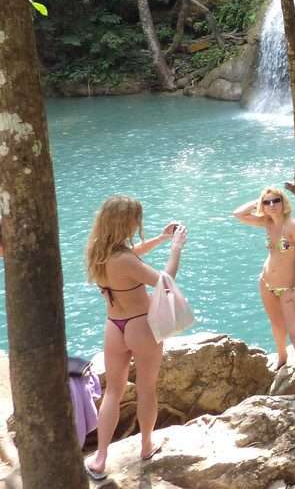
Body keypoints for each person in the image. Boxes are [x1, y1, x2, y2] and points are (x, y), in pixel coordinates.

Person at [83, 196, 187, 481]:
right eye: (135, 220)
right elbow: (165, 280)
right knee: (146, 388)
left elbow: (129, 257)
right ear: (125, 222)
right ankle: (146, 446)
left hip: (114, 326)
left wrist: (161, 238)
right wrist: (175, 247)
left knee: (113, 392)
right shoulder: (126, 260)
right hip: (141, 326)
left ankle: (100, 459)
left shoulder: (97, 251)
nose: (137, 224)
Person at [233, 187, 295, 400]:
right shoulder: (267, 223)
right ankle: (281, 357)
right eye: (267, 202)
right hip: (266, 283)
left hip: (288, 288)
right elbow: (238, 214)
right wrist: (259, 201)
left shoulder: (294, 226)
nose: (272, 205)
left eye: (276, 201)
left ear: (284, 202)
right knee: (277, 325)